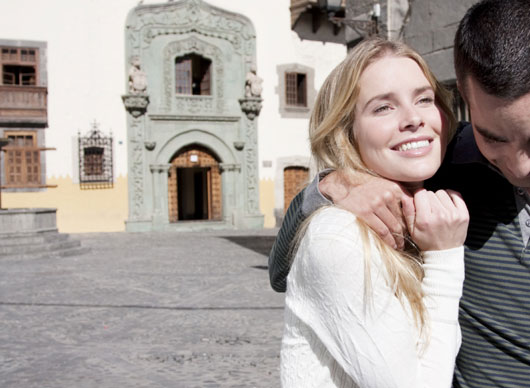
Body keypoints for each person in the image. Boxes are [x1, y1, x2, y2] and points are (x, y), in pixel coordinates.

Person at [270, 1, 530, 387]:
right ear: (465, 101)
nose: (521, 165)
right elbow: (282, 270)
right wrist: (335, 185)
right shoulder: (443, 157)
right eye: (493, 137)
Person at [280, 37, 469, 387]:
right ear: (345, 133)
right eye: (383, 107)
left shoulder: (446, 182)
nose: (414, 119)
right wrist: (445, 258)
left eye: (424, 99)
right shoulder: (339, 238)